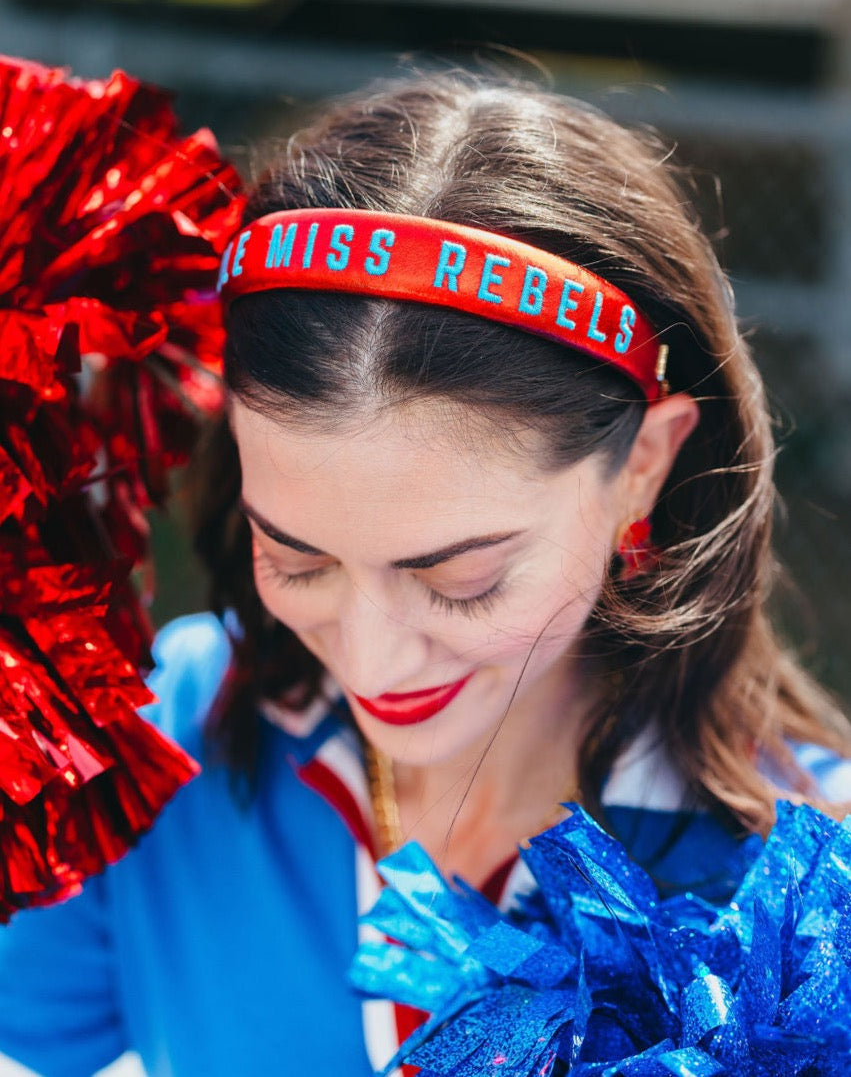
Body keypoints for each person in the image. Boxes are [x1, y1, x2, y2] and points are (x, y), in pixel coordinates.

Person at [0, 70, 849, 1077]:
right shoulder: (157, 730)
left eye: (460, 574)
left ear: (643, 466)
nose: (370, 656)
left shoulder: (806, 902)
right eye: (297, 553)